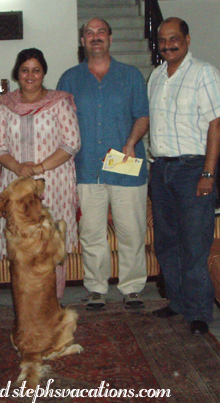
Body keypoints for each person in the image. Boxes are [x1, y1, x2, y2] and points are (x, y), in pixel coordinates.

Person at [57, 18, 149, 310]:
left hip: (125, 164)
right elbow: (60, 123)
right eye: (89, 33)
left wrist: (131, 142)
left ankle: (132, 288)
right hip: (86, 169)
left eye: (100, 33)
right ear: (82, 41)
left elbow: (143, 116)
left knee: (131, 231)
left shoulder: (131, 75)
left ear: (110, 38)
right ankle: (96, 288)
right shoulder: (69, 79)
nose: (95, 37)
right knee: (92, 233)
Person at [148, 17, 220, 335]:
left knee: (194, 243)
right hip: (161, 169)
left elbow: (217, 122)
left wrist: (209, 172)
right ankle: (178, 302)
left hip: (193, 168)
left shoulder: (203, 72)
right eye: (163, 39)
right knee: (167, 242)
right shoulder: (155, 76)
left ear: (187, 39)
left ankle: (198, 312)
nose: (168, 44)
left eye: (174, 38)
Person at [0, 48, 81, 299]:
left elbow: (71, 143)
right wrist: (19, 168)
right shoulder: (5, 105)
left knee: (51, 243)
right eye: (25, 70)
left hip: (53, 184)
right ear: (17, 73)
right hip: (16, 185)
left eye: (36, 70)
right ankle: (27, 302)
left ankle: (53, 301)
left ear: (44, 73)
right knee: (23, 244)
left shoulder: (60, 102)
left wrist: (38, 169)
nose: (30, 75)